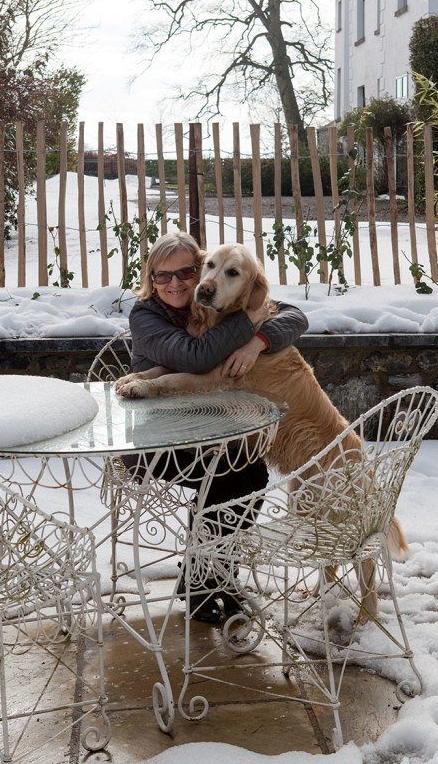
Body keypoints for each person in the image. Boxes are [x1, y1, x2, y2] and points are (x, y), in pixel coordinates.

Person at [115, 231, 308, 624]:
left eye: (186, 271)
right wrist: (251, 321)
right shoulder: (147, 315)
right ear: (151, 279)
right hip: (152, 439)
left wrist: (258, 342)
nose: (177, 283)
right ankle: (206, 582)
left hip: (207, 429)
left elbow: (294, 316)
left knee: (248, 472)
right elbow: (197, 357)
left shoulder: (207, 302)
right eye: (162, 276)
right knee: (231, 476)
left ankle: (214, 576)